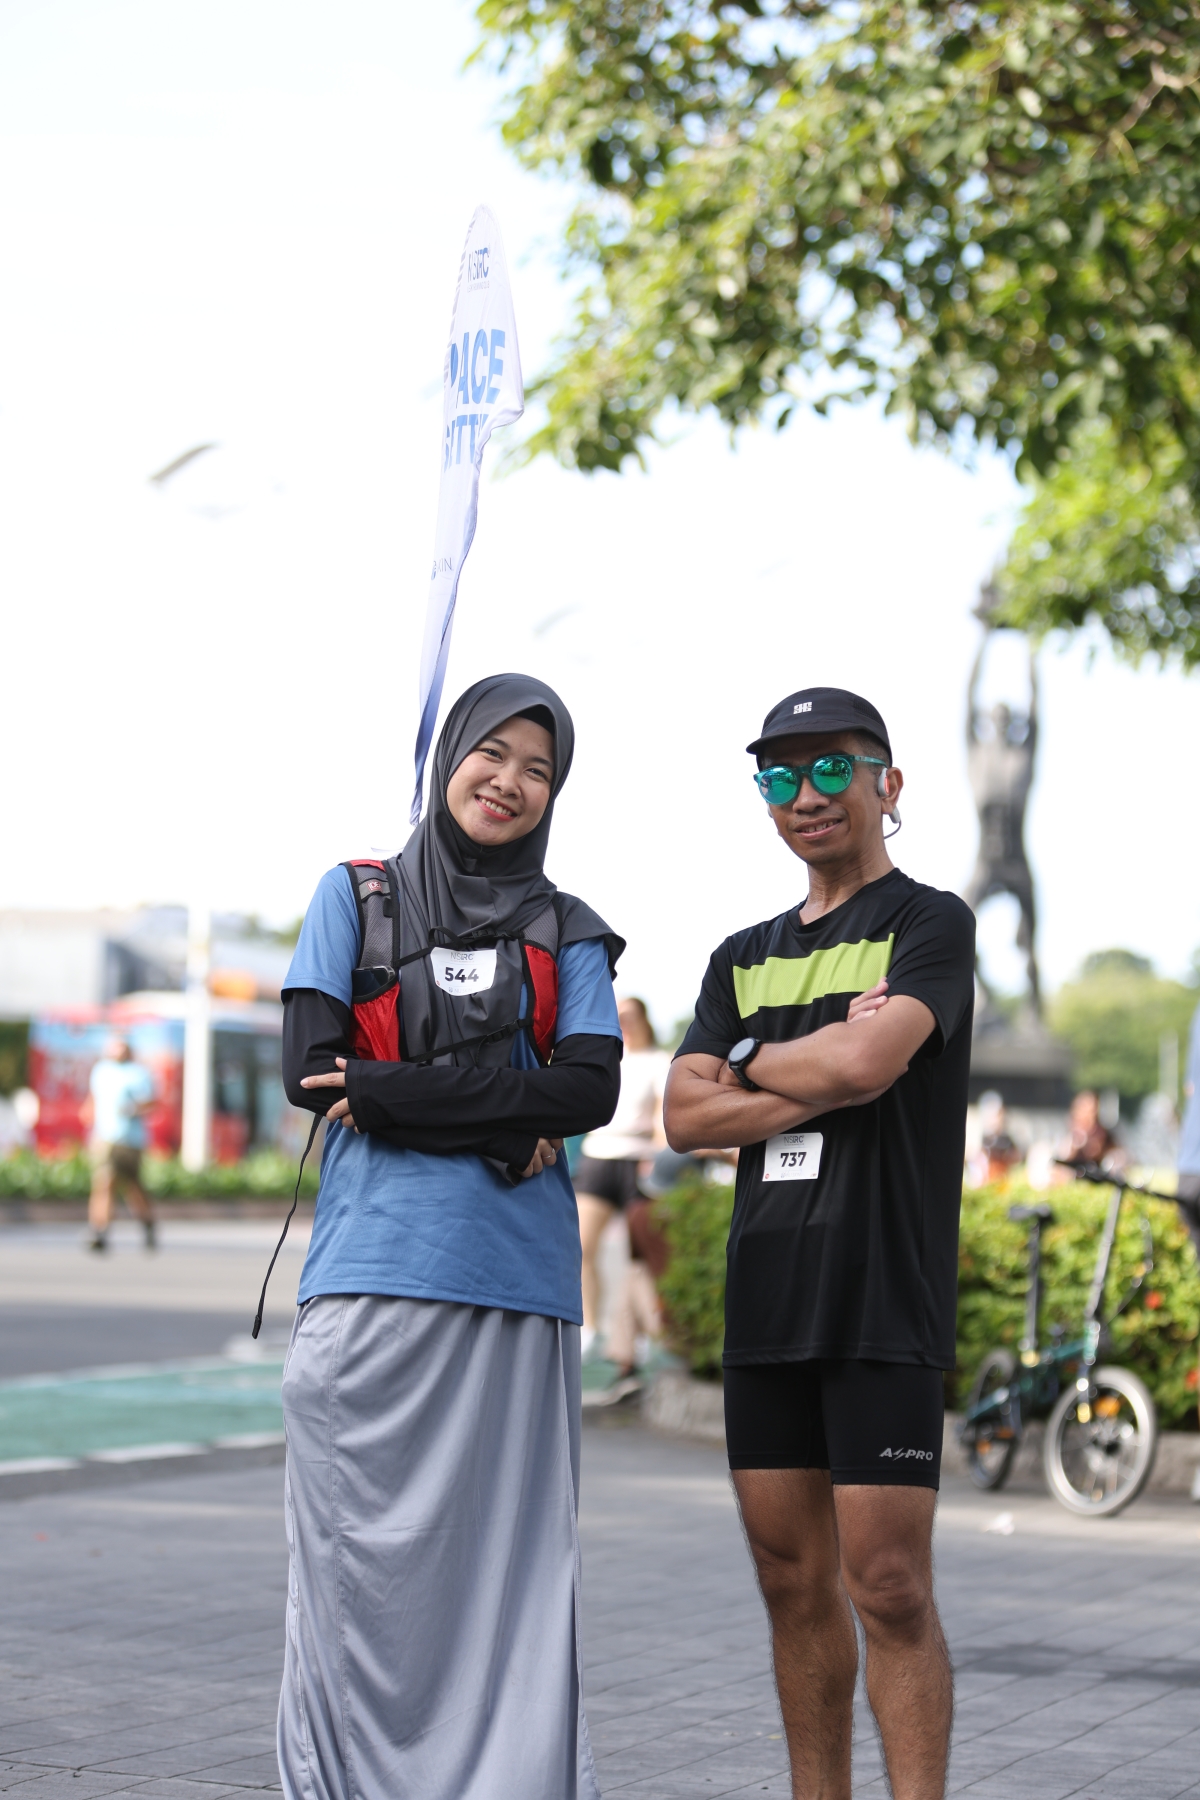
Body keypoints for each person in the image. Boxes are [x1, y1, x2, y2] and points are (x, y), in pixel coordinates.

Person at [276, 674, 623, 1800]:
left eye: (539, 768)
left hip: (516, 1288)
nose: (511, 781)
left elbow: (589, 1091)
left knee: (502, 1581)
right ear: (450, 757)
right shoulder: (356, 895)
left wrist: (390, 1091)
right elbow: (311, 1072)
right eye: (494, 753)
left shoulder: (568, 927)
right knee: (354, 1570)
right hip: (372, 1275)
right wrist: (507, 1116)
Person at [664, 686, 975, 1800]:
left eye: (833, 768)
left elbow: (865, 1063)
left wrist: (747, 1062)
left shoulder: (930, 923)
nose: (807, 794)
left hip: (882, 1296)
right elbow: (681, 1115)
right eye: (781, 776)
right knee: (790, 1583)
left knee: (887, 1586)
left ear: (889, 784)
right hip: (769, 1297)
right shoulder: (739, 955)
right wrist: (813, 1066)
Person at [573, 995, 670, 1354]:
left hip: (638, 1160)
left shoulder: (659, 1061)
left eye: (629, 1015)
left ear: (643, 1019)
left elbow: (662, 1115)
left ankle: (643, 1335)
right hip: (599, 1155)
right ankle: (590, 1328)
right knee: (581, 1247)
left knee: (640, 1256)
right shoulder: (607, 1057)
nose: (623, 1021)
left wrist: (657, 1154)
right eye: (618, 1015)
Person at [82, 1035, 156, 1252]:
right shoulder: (101, 1071)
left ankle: (147, 1223)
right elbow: (94, 1098)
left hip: (131, 1140)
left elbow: (151, 1102)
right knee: (104, 1183)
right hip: (105, 1137)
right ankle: (99, 1230)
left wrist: (133, 1108)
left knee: (133, 1187)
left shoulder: (138, 1073)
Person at [1056, 1088, 1126, 1176]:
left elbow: (1122, 1159)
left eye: (1095, 1119)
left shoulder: (1108, 1141)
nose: (1094, 1129)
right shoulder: (1068, 1142)